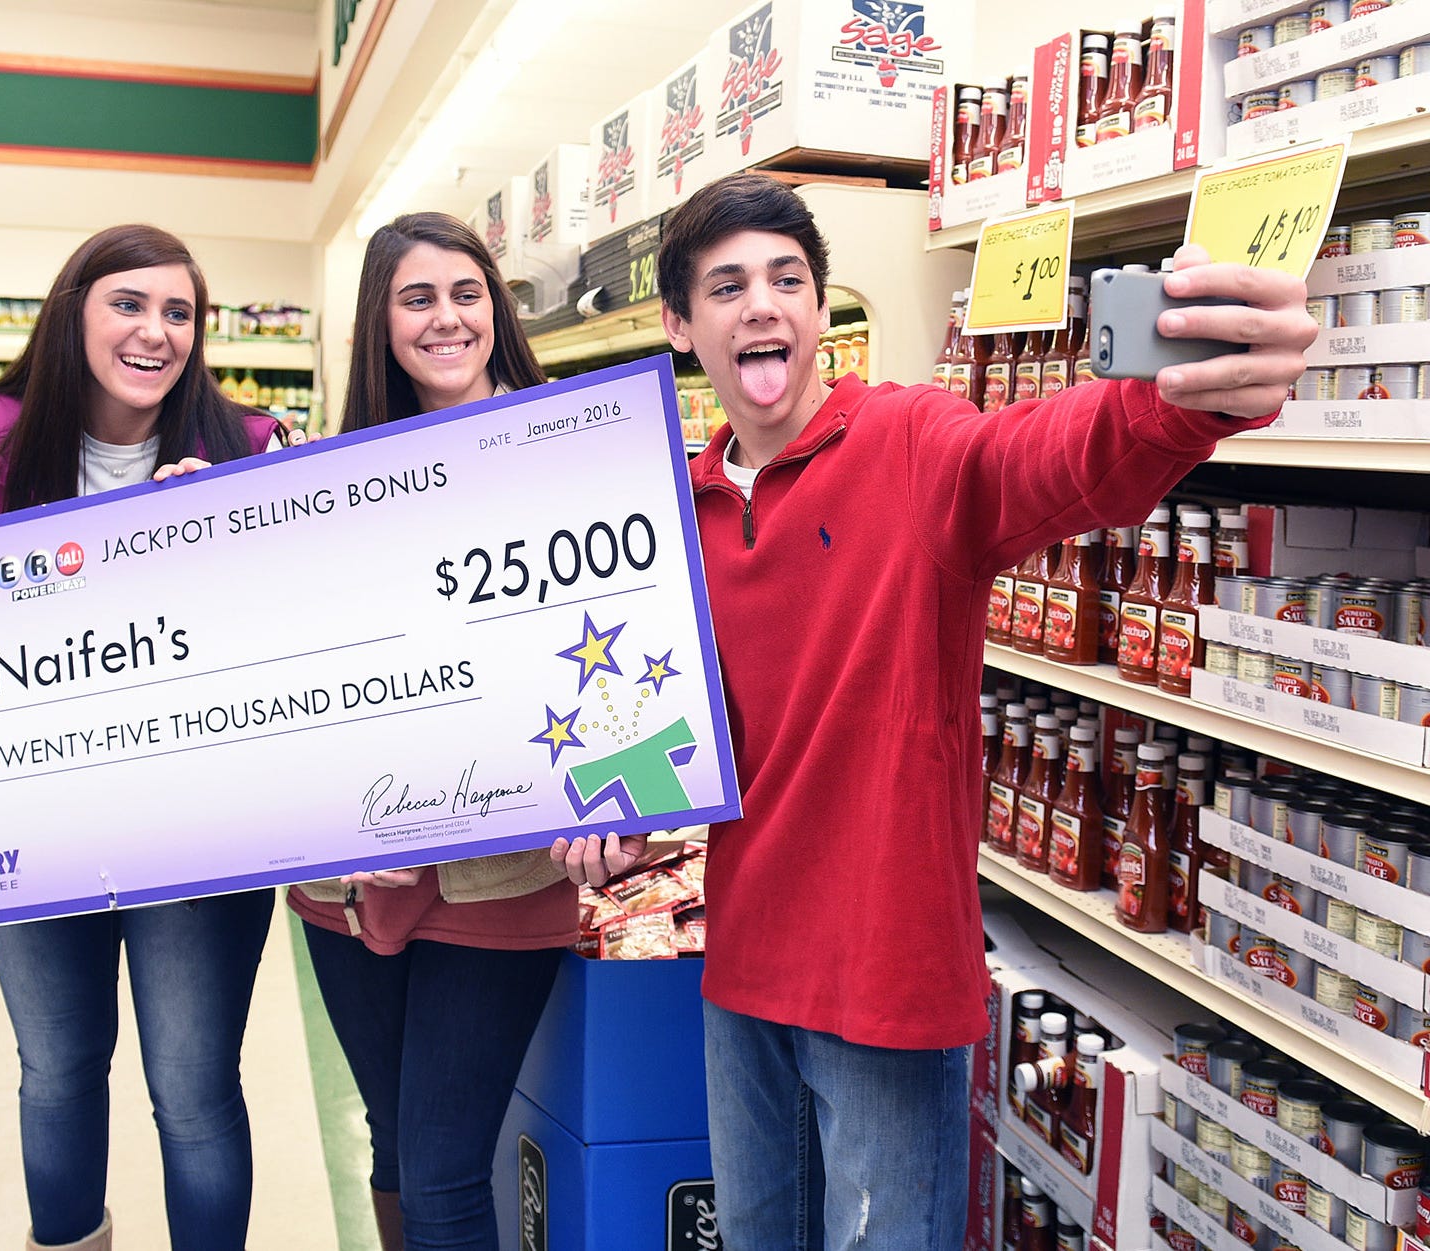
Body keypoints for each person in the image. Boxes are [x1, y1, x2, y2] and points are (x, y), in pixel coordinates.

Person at [552, 173, 1315, 1251]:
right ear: (681, 328)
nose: (761, 304)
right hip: (739, 967)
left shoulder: (914, 445)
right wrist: (612, 810)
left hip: (886, 971)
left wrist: (1187, 387)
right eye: (725, 288)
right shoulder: (673, 518)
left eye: (787, 279)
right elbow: (679, 728)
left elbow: (1054, 455)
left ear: (820, 312)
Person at [0, 223, 292, 1251]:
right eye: (129, 304)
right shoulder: (3, 434)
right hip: (43, 812)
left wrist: (210, 550)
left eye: (179, 313)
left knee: (192, 1085)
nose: (156, 332)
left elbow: (287, 650)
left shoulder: (251, 445)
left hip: (198, 827)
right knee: (56, 1071)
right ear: (75, 312)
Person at [287, 211, 575, 1251]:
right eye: (418, 297)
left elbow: (624, 645)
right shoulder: (324, 477)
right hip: (346, 879)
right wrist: (190, 522)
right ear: (381, 319)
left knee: (449, 1166)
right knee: (395, 1141)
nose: (448, 317)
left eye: (467, 292)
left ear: (495, 307)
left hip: (498, 875)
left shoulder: (568, 445)